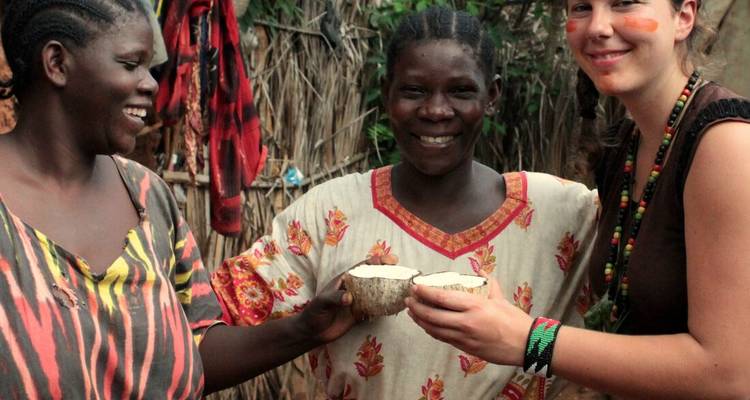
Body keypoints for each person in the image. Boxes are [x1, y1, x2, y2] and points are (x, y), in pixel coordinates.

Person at [211, 6, 598, 399]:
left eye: (461, 91)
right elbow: (189, 353)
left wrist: (528, 342)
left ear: (492, 95)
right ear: (387, 93)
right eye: (414, 91)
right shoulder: (329, 215)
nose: (435, 110)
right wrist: (305, 329)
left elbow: (641, 347)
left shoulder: (564, 217)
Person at [0, 1, 355, 398]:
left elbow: (197, 347)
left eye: (148, 67)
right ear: (57, 63)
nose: (151, 83)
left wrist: (306, 329)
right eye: (130, 63)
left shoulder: (147, 196)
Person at [406, 0, 750, 398]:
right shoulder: (627, 144)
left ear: (684, 16)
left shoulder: (726, 145)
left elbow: (730, 375)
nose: (598, 27)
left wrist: (528, 341)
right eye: (582, 7)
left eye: (623, 3)